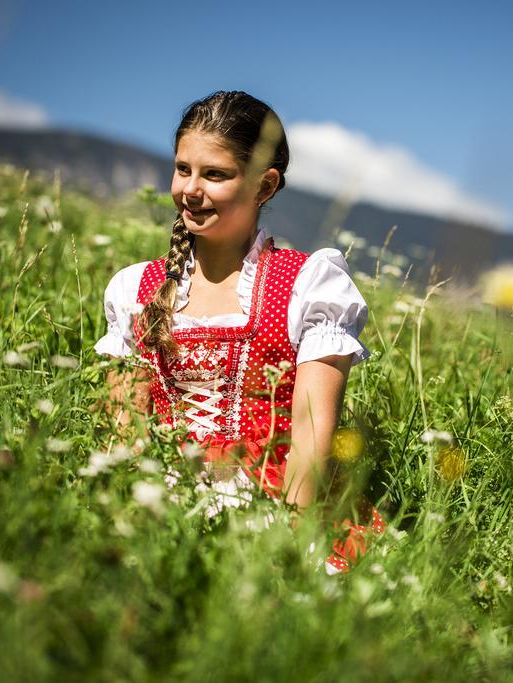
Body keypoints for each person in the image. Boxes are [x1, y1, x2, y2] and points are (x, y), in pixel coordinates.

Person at [94, 91, 382, 574]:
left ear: (264, 186)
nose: (191, 189)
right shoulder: (136, 289)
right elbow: (122, 429)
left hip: (274, 498)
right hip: (162, 492)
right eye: (183, 169)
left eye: (215, 174)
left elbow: (312, 434)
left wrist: (287, 542)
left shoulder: (306, 285)